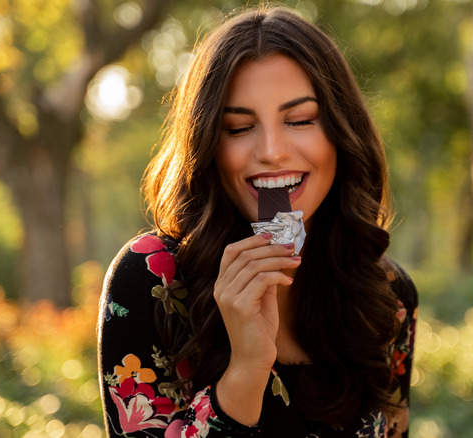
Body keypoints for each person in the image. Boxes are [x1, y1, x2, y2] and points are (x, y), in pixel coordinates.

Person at [98, 6, 418, 437]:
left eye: (300, 120)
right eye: (238, 127)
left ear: (342, 133)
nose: (271, 150)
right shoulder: (152, 279)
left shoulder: (387, 296)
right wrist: (246, 368)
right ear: (208, 145)